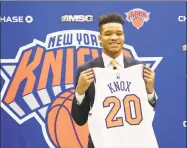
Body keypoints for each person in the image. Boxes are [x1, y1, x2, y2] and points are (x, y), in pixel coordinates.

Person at [71, 13, 157, 148]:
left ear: (124, 37)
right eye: (108, 34)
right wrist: (79, 93)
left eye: (119, 33)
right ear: (100, 38)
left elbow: (148, 114)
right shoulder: (87, 70)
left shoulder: (139, 69)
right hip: (101, 143)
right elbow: (79, 120)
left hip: (134, 143)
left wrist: (150, 91)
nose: (114, 38)